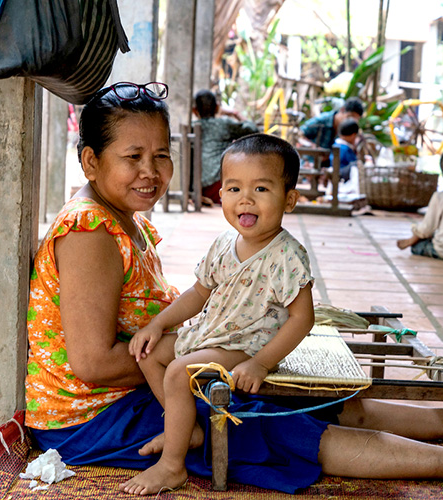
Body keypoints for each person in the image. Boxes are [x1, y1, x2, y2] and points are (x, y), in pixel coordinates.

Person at [24, 82, 443, 497]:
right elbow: (94, 363)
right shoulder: (90, 232)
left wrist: (218, 349)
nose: (152, 171)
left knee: (299, 387)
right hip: (93, 416)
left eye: (161, 154)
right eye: (132, 158)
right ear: (92, 161)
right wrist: (199, 361)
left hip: (144, 383)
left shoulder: (127, 219)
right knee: (274, 420)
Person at [120, 134, 315, 494]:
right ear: (220, 194)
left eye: (260, 189)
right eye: (234, 187)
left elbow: (303, 319)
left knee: (179, 371)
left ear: (288, 200)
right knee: (149, 354)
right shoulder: (224, 244)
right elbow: (198, 292)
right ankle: (189, 429)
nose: (245, 199)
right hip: (211, 332)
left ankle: (171, 466)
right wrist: (158, 324)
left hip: (248, 344)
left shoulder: (286, 255)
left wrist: (260, 362)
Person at [193, 89, 258, 205]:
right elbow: (253, 130)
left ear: (194, 110)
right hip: (220, 184)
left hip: (195, 186)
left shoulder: (192, 127)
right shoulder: (224, 124)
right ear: (217, 108)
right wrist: (235, 114)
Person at [299, 97, 364, 168]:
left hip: (328, 169)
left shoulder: (349, 130)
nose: (350, 122)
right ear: (342, 110)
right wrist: (313, 147)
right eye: (349, 117)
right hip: (309, 164)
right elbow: (299, 134)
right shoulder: (322, 120)